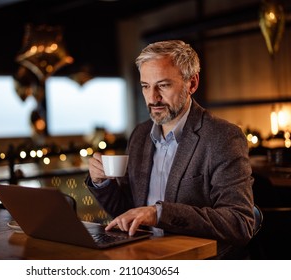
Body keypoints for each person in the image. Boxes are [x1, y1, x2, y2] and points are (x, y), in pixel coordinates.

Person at [85, 40, 255, 259]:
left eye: (163, 85)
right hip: (143, 255)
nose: (153, 97)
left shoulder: (222, 137)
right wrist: (103, 183)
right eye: (145, 86)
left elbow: (240, 223)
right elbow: (126, 211)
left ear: (192, 84)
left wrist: (160, 214)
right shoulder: (139, 136)